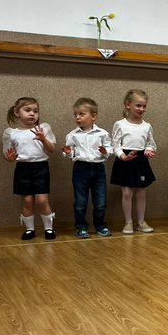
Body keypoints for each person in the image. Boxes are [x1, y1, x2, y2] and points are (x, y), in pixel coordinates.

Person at [3, 96, 56, 240]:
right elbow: (8, 155)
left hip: (41, 167)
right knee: (27, 201)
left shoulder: (43, 129)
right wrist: (10, 158)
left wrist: (43, 139)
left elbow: (51, 149)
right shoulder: (12, 133)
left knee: (42, 200)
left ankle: (49, 228)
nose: (32, 114)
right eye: (27, 110)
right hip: (23, 168)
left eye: (35, 111)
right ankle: (29, 229)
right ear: (17, 112)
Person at [62, 97, 113, 239]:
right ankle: (81, 227)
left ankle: (100, 226)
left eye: (81, 114)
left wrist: (105, 151)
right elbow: (70, 153)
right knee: (80, 201)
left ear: (93, 116)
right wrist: (68, 152)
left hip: (98, 169)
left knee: (100, 201)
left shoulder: (102, 133)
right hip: (80, 169)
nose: (77, 117)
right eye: (75, 114)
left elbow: (109, 149)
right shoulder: (72, 135)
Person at [110, 88, 157, 235]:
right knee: (126, 192)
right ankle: (128, 222)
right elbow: (115, 144)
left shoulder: (147, 126)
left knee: (141, 192)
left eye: (144, 106)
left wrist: (148, 150)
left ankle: (141, 221)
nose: (141, 109)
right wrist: (122, 156)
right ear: (128, 104)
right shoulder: (120, 124)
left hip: (140, 160)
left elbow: (150, 143)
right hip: (125, 160)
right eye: (138, 105)